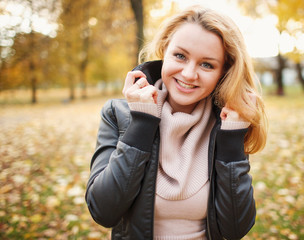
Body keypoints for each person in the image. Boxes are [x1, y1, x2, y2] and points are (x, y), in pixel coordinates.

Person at [85, 5, 267, 240]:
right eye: (180, 56)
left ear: (224, 72)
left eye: (207, 64)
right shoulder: (118, 114)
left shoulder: (228, 123)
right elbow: (103, 212)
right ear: (164, 50)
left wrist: (232, 138)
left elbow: (235, 230)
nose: (189, 74)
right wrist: (141, 121)